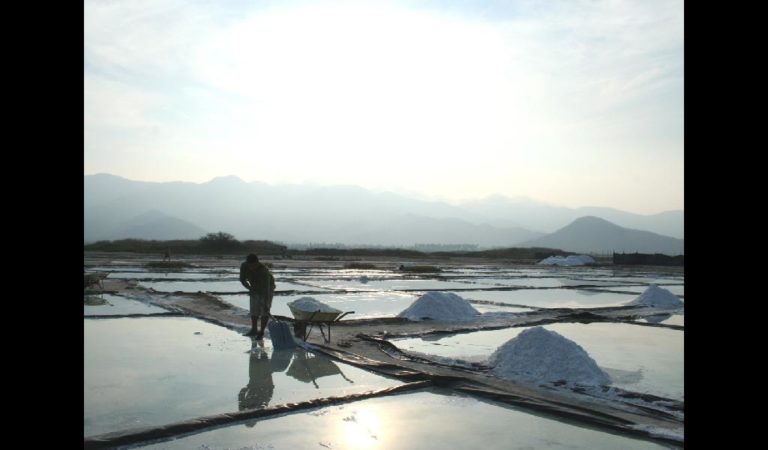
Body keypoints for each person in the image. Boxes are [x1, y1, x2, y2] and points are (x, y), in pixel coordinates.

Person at [239, 253, 276, 338]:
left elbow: (266, 289)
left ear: (257, 263)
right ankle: (254, 329)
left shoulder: (264, 271)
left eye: (253, 266)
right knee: (254, 309)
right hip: (254, 288)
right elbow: (242, 279)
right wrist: (249, 288)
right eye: (250, 266)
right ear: (247, 263)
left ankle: (261, 332)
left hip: (267, 289)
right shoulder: (244, 266)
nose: (251, 268)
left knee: (264, 311)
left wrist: (266, 303)